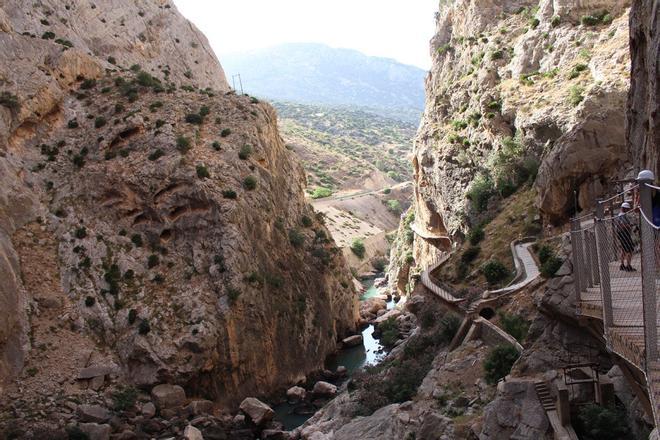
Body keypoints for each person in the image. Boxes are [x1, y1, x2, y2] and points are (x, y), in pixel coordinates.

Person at [615, 202, 636, 271]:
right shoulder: (622, 216)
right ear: (625, 209)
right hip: (624, 234)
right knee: (629, 249)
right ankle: (628, 265)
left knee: (624, 249)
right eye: (627, 209)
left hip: (621, 234)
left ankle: (622, 265)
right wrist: (630, 225)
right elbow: (622, 225)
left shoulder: (620, 215)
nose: (628, 210)